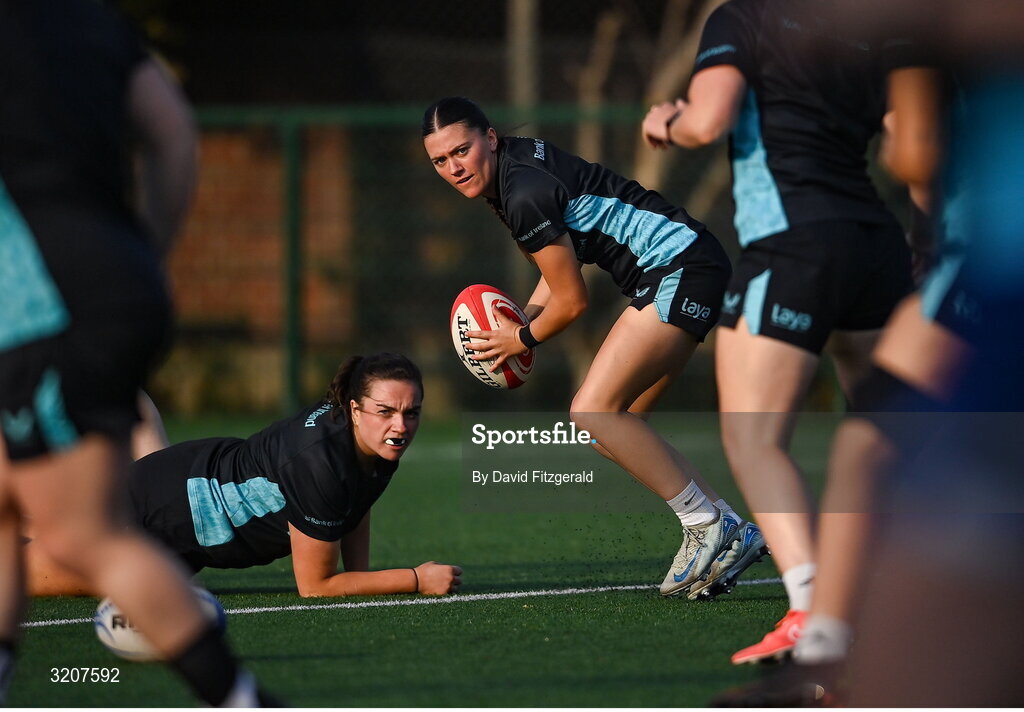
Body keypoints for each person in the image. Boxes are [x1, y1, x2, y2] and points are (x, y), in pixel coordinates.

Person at [0, 0, 275, 706]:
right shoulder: (90, 22)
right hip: (108, 285)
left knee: (82, 534)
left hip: (41, 307)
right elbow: (175, 136)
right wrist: (142, 258)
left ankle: (241, 697)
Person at [642, 0, 913, 664]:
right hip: (877, 244)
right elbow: (909, 136)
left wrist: (667, 122)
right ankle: (927, 588)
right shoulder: (862, 32)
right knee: (896, 436)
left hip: (795, 245)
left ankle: (814, 612)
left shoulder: (742, 17)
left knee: (753, 436)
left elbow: (708, 121)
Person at [422, 96, 767, 601]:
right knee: (616, 427)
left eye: (462, 150)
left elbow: (571, 300)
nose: (454, 167)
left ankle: (704, 524)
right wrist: (521, 324)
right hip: (691, 264)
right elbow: (557, 275)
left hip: (678, 267)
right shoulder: (512, 173)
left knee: (590, 411)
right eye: (440, 161)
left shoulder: (522, 194)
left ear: (489, 138)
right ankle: (731, 527)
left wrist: (518, 338)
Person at [26, 353, 463, 599]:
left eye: (412, 413)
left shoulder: (372, 439)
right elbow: (315, 586)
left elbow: (356, 500)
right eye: (386, 412)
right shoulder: (321, 464)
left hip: (184, 498)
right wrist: (414, 579)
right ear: (354, 408)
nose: (401, 426)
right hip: (156, 516)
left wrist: (365, 578)